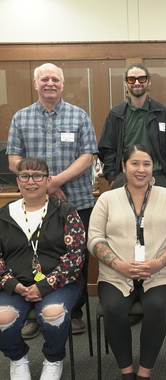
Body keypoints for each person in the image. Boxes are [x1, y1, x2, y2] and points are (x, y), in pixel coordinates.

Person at [6, 63, 98, 336]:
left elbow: (87, 156)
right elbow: (13, 160)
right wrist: (44, 186)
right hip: (34, 205)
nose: (50, 83)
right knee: (32, 255)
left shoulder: (79, 116)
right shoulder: (21, 118)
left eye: (55, 79)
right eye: (44, 79)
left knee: (75, 258)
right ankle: (32, 312)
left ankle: (75, 311)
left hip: (77, 201)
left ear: (62, 84)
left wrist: (54, 182)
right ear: (35, 84)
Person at [88, 144, 166, 380]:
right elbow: (94, 239)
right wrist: (118, 265)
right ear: (124, 167)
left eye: (146, 164)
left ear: (153, 167)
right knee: (113, 309)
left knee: (156, 307)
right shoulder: (107, 199)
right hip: (116, 275)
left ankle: (144, 373)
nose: (141, 169)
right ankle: (127, 372)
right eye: (135, 163)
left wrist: (159, 262)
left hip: (161, 274)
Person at [0, 157, 85, 380]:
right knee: (2, 319)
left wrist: (46, 284)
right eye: (24, 176)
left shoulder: (66, 211)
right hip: (15, 284)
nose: (31, 181)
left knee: (52, 314)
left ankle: (53, 359)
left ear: (48, 181)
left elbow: (75, 257)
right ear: (17, 181)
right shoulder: (4, 214)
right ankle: (17, 358)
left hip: (58, 284)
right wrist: (12, 284)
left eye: (38, 176)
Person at [98, 63, 166, 190]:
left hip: (158, 177)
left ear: (149, 81)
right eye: (131, 79)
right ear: (126, 83)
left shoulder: (162, 112)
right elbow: (107, 149)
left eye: (141, 79)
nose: (136, 83)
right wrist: (113, 178)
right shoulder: (116, 114)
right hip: (125, 178)